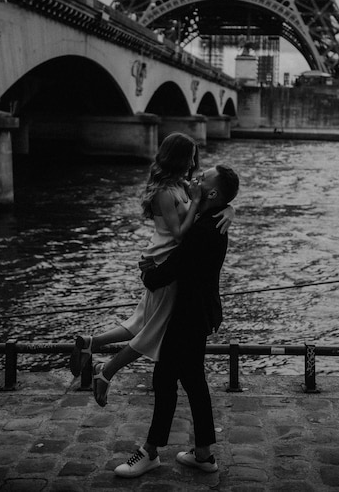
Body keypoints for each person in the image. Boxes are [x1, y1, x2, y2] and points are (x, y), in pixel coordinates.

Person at [69, 133, 234, 406]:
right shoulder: (165, 192)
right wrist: (194, 202)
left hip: (164, 260)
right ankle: (106, 372)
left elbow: (215, 197)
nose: (195, 162)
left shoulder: (181, 184)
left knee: (142, 321)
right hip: (163, 263)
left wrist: (230, 209)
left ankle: (91, 342)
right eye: (191, 156)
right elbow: (181, 235)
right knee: (153, 330)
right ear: (179, 158)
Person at [113, 163, 239, 479]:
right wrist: (231, 208)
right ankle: (203, 455)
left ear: (210, 192)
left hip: (188, 317)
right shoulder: (212, 217)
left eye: (202, 178)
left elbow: (171, 271)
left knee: (166, 380)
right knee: (193, 382)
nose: (195, 179)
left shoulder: (202, 230)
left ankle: (150, 452)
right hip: (199, 313)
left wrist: (146, 271)